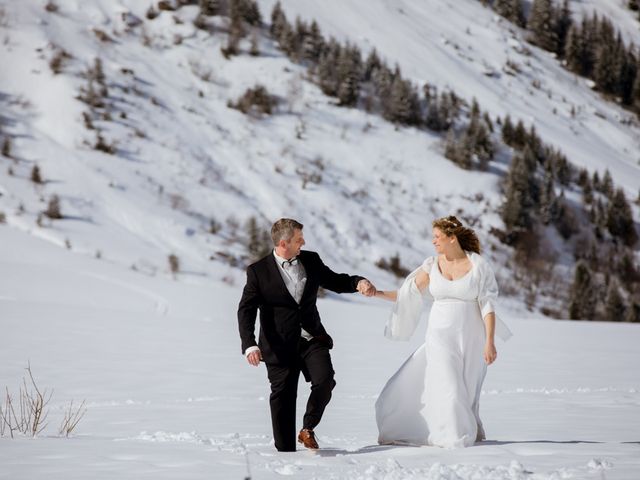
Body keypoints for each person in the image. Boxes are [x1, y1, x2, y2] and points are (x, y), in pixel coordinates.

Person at [237, 218, 376, 452]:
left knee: (325, 381)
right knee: (283, 397)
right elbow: (246, 309)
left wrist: (357, 282)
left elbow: (334, 280)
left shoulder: (310, 260)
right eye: (299, 239)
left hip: (312, 338)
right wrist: (250, 344)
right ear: (284, 243)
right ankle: (285, 452)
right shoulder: (258, 272)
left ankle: (307, 428)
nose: (304, 242)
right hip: (278, 346)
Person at [374, 215, 511, 448]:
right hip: (439, 334)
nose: (434, 241)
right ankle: (453, 436)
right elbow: (407, 294)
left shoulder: (478, 265)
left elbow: (487, 305)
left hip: (471, 335)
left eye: (437, 237)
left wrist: (490, 341)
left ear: (452, 237)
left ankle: (465, 427)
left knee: (466, 388)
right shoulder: (431, 265)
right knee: (449, 383)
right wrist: (377, 293)